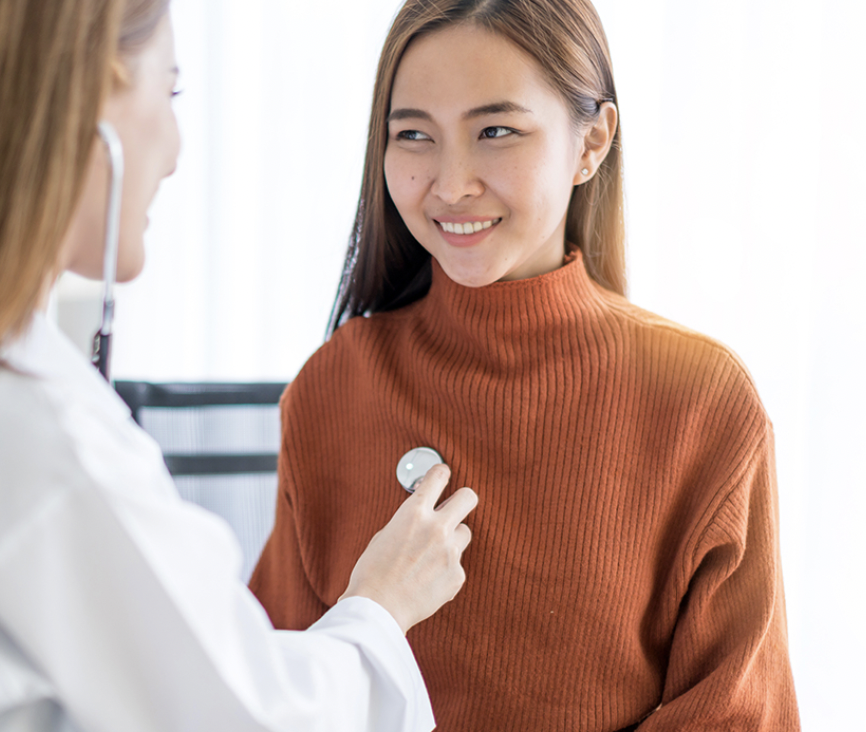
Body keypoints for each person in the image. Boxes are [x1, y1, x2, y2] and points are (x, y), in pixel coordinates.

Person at [0, 1, 480, 730]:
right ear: (80, 102)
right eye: (170, 89)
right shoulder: (31, 443)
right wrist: (380, 607)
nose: (179, 151)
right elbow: (251, 718)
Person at [249, 1, 800, 730]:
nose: (450, 183)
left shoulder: (703, 403)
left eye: (496, 131)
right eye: (413, 134)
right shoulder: (332, 388)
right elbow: (270, 692)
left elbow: (738, 714)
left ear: (592, 142)